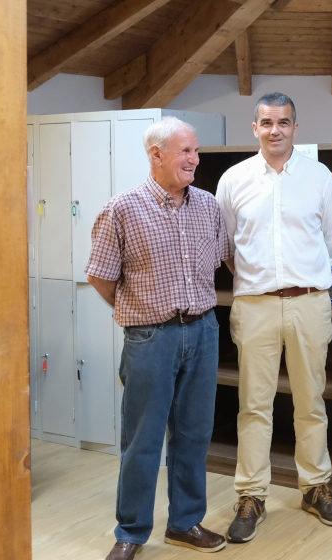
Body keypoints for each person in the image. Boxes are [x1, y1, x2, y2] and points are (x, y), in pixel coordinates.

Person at [86, 117, 230, 560]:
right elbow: (100, 277)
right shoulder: (122, 208)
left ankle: (185, 523)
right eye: (186, 151)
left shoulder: (208, 206)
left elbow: (221, 260)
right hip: (150, 337)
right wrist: (141, 312)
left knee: (193, 434)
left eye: (196, 150)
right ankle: (130, 532)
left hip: (203, 332)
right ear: (157, 155)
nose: (195, 159)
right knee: (142, 439)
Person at [215, 92, 332, 543]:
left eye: (284, 122)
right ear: (255, 128)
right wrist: (262, 281)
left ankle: (315, 488)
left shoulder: (318, 176)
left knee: (311, 402)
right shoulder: (233, 180)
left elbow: (331, 242)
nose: (275, 130)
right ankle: (251, 495)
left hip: (309, 301)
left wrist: (299, 278)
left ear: (296, 126)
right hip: (254, 306)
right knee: (254, 405)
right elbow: (227, 247)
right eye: (267, 122)